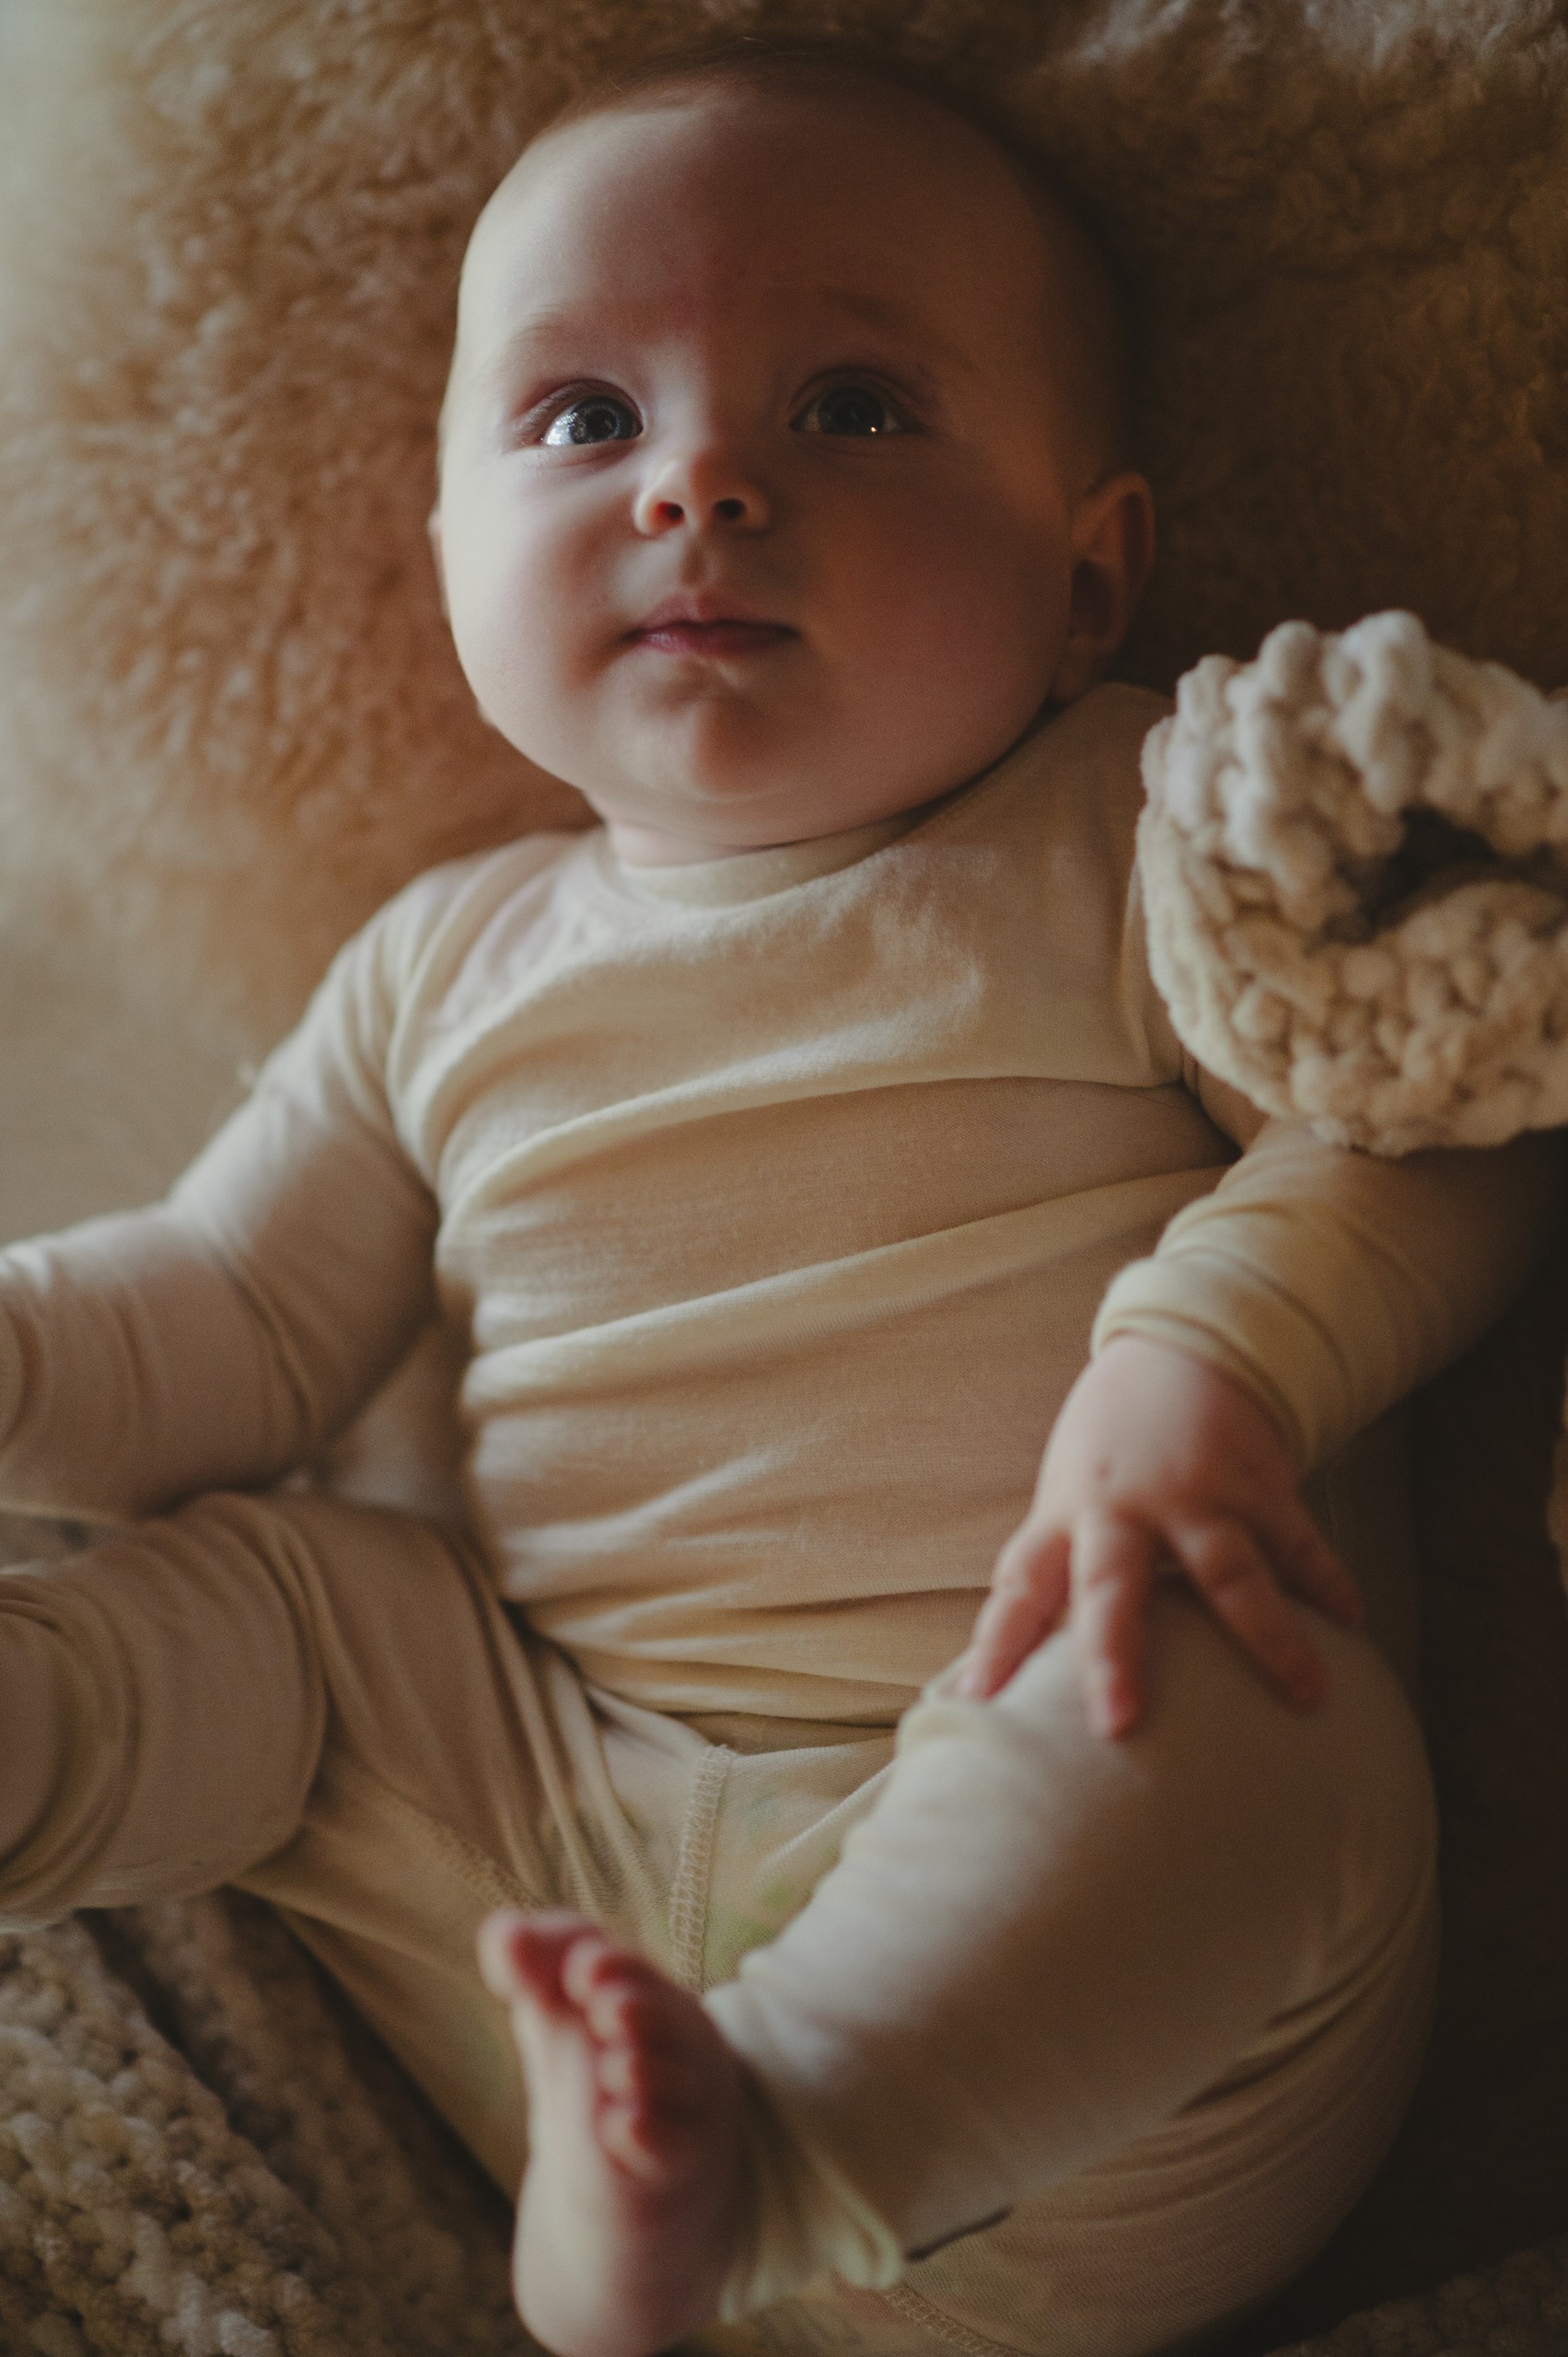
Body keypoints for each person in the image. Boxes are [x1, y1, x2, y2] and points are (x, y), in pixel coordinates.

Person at [0, 44, 1555, 2357]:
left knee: (1250, 1686)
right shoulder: (444, 959)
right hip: (547, 1895)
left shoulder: (1127, 830)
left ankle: (785, 2127)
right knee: (289, 1600)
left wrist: (1204, 1362)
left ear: (1086, 569)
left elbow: (1431, 1123)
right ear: (445, 553)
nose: (698, 481)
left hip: (1083, 2072)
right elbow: (224, 1317)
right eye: (578, 421)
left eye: (849, 409)